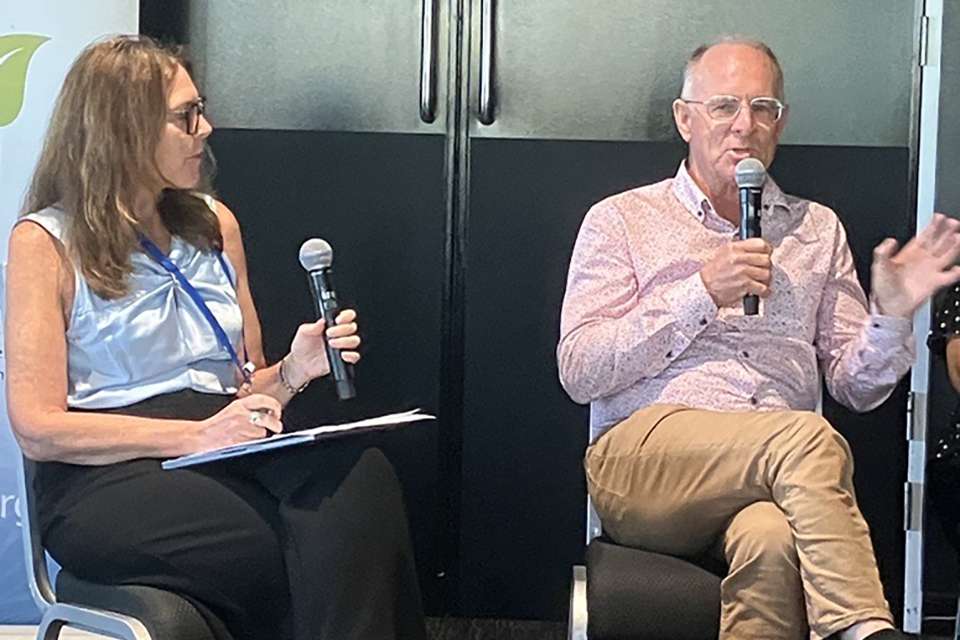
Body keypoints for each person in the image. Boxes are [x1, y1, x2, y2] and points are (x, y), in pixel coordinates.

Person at [5, 35, 426, 640]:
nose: (207, 127)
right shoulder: (45, 242)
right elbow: (38, 426)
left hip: (226, 446)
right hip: (108, 469)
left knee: (363, 484)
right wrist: (195, 435)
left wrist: (293, 371)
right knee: (289, 543)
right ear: (125, 128)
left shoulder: (214, 223)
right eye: (186, 116)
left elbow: (244, 387)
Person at [557, 37, 960, 640]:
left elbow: (857, 387)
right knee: (806, 437)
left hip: (775, 475)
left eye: (763, 107)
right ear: (684, 117)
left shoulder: (815, 229)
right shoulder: (620, 220)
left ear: (782, 121)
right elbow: (580, 370)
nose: (744, 126)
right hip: (643, 464)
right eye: (724, 107)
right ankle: (865, 629)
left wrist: (894, 316)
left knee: (772, 541)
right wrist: (701, 291)